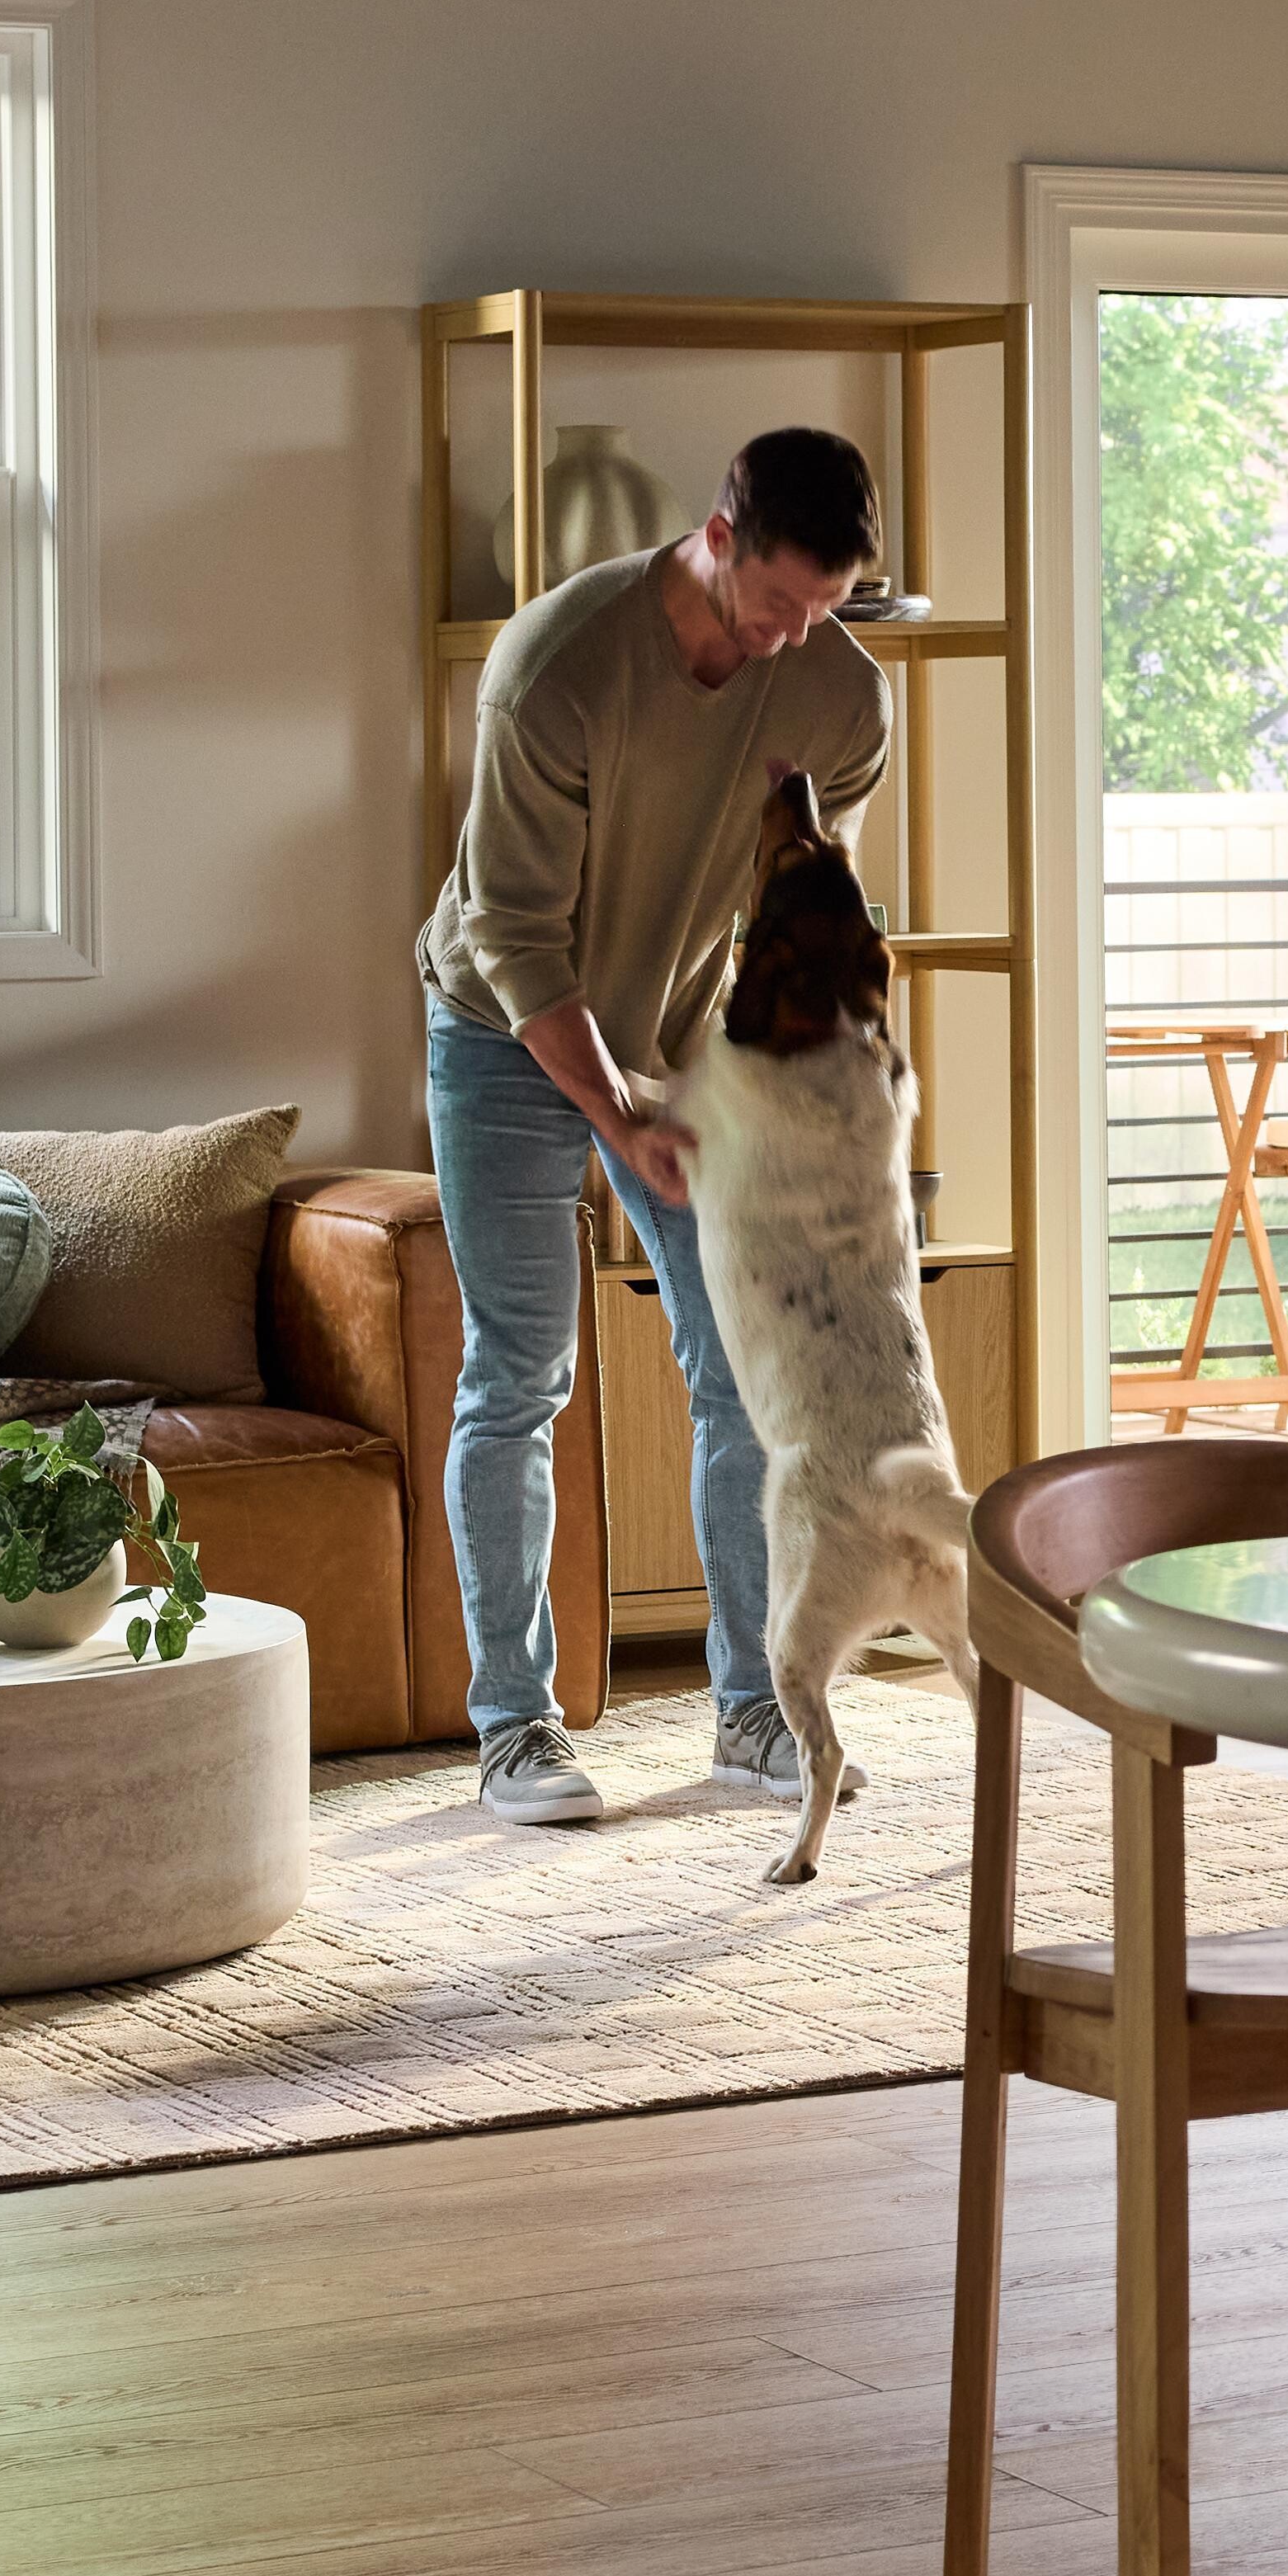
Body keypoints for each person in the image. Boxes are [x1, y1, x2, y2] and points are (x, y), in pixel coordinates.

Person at [418, 427, 890, 1827]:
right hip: (506, 1029)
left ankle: (757, 1708)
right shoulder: (559, 666)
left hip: (690, 1042)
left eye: (824, 608)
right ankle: (516, 1727)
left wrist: (759, 1079)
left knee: (742, 1373)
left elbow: (803, 896)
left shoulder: (838, 691)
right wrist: (613, 1108)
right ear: (719, 533)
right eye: (774, 602)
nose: (791, 635)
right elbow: (511, 930)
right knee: (520, 1376)